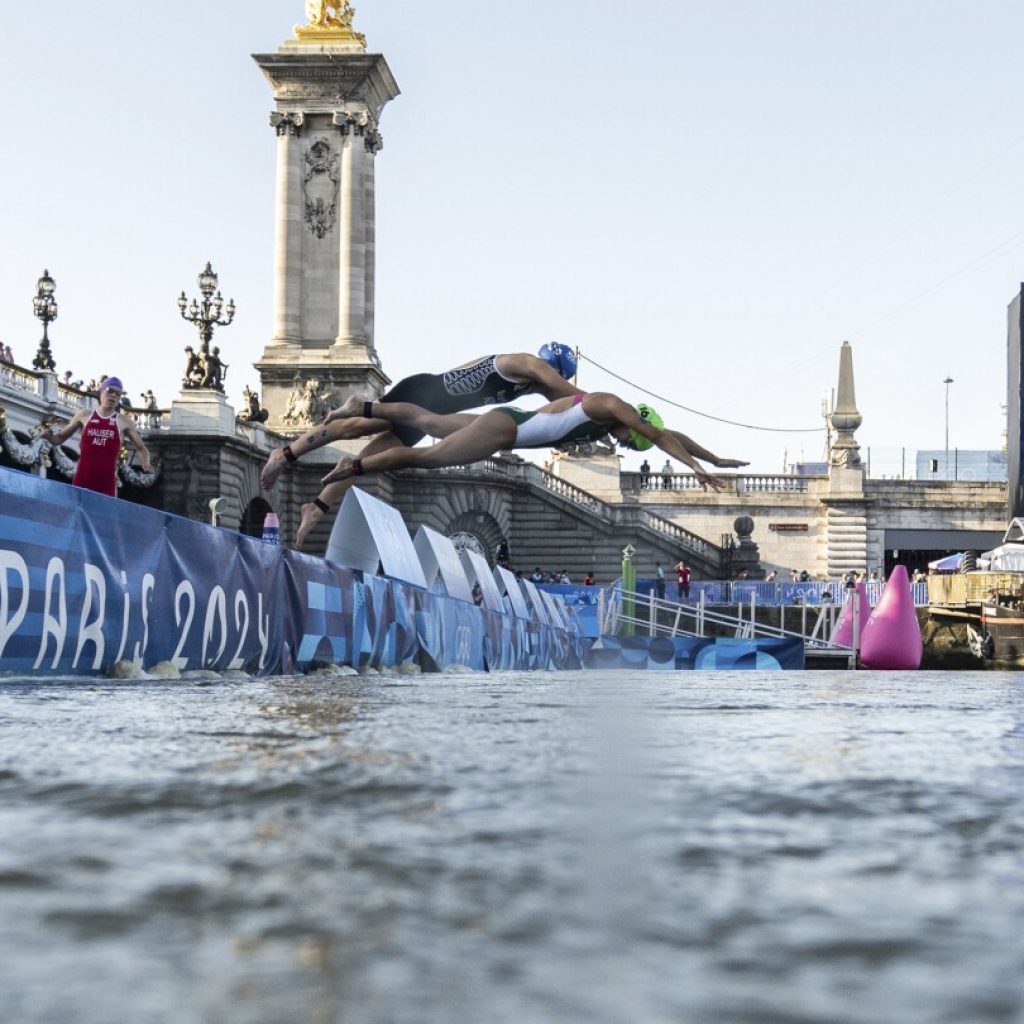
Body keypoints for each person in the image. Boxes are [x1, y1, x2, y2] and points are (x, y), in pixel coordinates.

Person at [261, 343, 583, 547]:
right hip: (422, 393)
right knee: (357, 425)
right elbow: (570, 396)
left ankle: (315, 508)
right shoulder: (527, 364)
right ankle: (285, 453)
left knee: (367, 461)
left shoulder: (528, 386)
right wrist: (607, 410)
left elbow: (560, 406)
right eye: (555, 375)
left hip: (430, 411)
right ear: (554, 368)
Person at [317, 392, 743, 497]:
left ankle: (363, 405)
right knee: (425, 457)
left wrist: (714, 458)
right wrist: (697, 470)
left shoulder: (608, 419)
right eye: (630, 442)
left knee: (428, 420)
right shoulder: (606, 405)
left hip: (508, 420)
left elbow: (673, 435)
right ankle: (351, 468)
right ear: (632, 426)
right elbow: (661, 435)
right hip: (506, 432)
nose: (623, 447)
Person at [42, 377, 151, 497]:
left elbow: (141, 449)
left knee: (103, 516)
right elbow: (60, 438)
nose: (114, 395)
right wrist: (49, 437)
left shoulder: (124, 421)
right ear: (101, 392)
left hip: (106, 484)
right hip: (83, 480)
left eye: (118, 394)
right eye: (110, 391)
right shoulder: (84, 415)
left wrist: (146, 463)